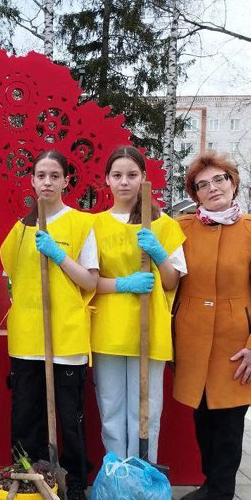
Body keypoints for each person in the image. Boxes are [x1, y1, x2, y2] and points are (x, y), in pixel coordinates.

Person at [173, 153, 251, 500]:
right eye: (202, 184)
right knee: (202, 418)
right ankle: (209, 482)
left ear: (233, 183)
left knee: (229, 423)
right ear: (195, 193)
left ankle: (222, 496)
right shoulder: (182, 228)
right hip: (192, 339)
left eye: (218, 180)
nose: (212, 188)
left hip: (237, 343)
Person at [0, 149, 99, 500]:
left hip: (67, 340)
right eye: (40, 175)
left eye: (54, 175)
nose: (47, 182)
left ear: (66, 181)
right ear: (31, 181)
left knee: (70, 421)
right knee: (26, 419)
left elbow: (90, 280)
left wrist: (58, 254)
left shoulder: (82, 224)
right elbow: (11, 274)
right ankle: (29, 480)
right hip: (28, 340)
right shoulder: (20, 230)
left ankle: (73, 482)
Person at [90, 146, 186, 462]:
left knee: (146, 410)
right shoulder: (95, 226)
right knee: (112, 408)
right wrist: (122, 284)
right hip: (109, 331)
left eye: (132, 175)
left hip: (150, 330)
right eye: (117, 175)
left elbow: (172, 282)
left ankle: (142, 476)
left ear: (144, 178)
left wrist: (159, 254)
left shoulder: (163, 225)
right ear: (106, 180)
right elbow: (88, 283)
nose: (124, 182)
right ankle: (117, 479)